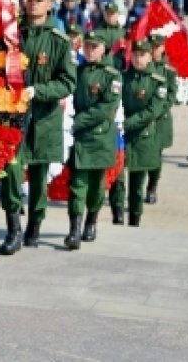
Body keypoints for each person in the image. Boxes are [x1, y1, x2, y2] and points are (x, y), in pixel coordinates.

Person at [0, 0, 77, 255]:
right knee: (11, 169)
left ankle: (34, 225)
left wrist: (37, 91)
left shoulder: (58, 40)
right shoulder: (11, 34)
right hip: (14, 116)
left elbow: (67, 82)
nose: (33, 4)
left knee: (40, 175)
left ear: (49, 4)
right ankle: (13, 228)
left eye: (39, 0)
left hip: (44, 117)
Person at [63, 31, 122, 250]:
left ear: (104, 49)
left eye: (94, 47)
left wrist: (76, 122)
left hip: (100, 138)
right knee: (77, 185)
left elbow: (105, 109)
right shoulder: (77, 71)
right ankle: (74, 230)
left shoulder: (112, 76)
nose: (90, 51)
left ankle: (91, 221)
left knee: (97, 186)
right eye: (87, 46)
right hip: (80, 139)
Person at [121, 38, 167, 227]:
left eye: (142, 55)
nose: (138, 59)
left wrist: (127, 123)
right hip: (121, 137)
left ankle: (134, 220)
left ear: (149, 57)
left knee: (137, 184)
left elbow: (152, 112)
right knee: (117, 181)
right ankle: (117, 216)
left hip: (142, 137)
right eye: (135, 55)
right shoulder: (122, 77)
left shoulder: (158, 82)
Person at [145, 37, 177, 204]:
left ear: (163, 48)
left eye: (156, 47)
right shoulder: (142, 65)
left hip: (160, 120)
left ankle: (152, 187)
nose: (153, 50)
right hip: (143, 118)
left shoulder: (169, 71)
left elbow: (171, 96)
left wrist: (156, 111)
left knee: (156, 157)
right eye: (151, 46)